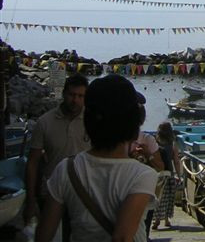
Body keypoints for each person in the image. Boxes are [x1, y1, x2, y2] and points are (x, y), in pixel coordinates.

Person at [34, 74, 158, 242]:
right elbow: (122, 237)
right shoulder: (142, 175)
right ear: (132, 122)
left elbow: (43, 235)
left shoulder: (66, 168)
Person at [24, 74, 91, 240]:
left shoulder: (92, 121)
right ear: (64, 94)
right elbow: (32, 163)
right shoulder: (44, 122)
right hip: (51, 193)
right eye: (71, 95)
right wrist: (31, 200)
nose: (75, 100)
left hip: (84, 193)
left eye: (80, 96)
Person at [129, 95, 164, 238]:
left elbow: (160, 167)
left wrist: (148, 154)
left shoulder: (147, 140)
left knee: (144, 229)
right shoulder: (119, 141)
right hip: (126, 188)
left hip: (145, 191)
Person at [152, 122, 182, 230]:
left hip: (157, 173)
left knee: (158, 197)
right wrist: (179, 175)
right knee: (168, 198)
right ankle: (166, 219)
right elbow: (176, 161)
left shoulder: (155, 143)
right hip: (169, 173)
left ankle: (156, 220)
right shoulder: (173, 144)